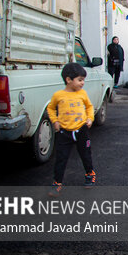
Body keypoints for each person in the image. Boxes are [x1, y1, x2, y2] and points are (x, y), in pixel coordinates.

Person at [47, 62, 96, 196]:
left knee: (85, 154)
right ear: (68, 80)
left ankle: (90, 174)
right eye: (80, 80)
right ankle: (57, 183)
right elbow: (50, 108)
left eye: (83, 80)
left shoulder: (83, 94)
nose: (82, 83)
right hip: (64, 132)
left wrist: (90, 118)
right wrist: (55, 121)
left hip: (81, 130)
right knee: (61, 158)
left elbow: (89, 107)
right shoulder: (58, 95)